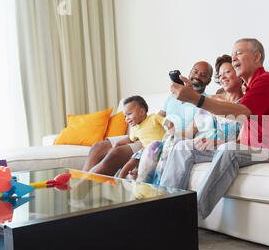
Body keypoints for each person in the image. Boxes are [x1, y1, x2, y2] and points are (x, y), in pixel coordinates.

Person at [159, 38, 269, 219]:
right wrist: (217, 141)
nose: (234, 59)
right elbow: (245, 131)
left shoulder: (267, 81)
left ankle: (190, 219)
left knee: (229, 150)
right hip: (248, 147)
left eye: (238, 53)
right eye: (232, 55)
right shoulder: (249, 88)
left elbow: (239, 112)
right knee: (183, 147)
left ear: (257, 57)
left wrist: (196, 99)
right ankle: (164, 211)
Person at [125, 55, 244, 183]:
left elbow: (244, 139)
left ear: (239, 74)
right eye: (220, 75)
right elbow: (190, 131)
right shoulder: (212, 101)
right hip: (201, 141)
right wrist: (170, 136)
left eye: (227, 72)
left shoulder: (246, 103)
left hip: (221, 144)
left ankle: (157, 192)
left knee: (178, 146)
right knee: (156, 145)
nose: (223, 77)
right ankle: (142, 188)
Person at [82, 61, 213, 176]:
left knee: (115, 154)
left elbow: (193, 132)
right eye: (195, 71)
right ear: (189, 73)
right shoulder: (173, 96)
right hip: (148, 134)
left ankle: (82, 184)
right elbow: (158, 116)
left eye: (203, 74)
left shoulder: (207, 103)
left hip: (163, 142)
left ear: (209, 80)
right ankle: (81, 183)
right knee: (98, 147)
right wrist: (140, 129)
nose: (197, 76)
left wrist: (170, 136)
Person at [90, 95, 167, 178]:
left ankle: (138, 172)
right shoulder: (134, 129)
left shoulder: (153, 118)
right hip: (145, 150)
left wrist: (171, 130)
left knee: (151, 164)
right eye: (125, 116)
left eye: (129, 114)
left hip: (160, 148)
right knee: (132, 160)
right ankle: (120, 177)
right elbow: (130, 139)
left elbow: (167, 122)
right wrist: (118, 143)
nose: (127, 118)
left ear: (142, 112)